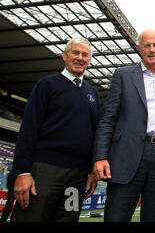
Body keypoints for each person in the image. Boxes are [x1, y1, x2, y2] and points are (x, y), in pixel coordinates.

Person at [11, 37, 99, 222]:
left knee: (68, 218)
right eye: (75, 53)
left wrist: (91, 171)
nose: (80, 58)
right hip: (45, 171)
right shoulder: (47, 84)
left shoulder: (93, 94)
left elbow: (94, 134)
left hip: (77, 177)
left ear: (89, 61)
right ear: (64, 56)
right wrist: (23, 172)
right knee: (32, 217)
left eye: (85, 55)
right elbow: (28, 129)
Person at [93, 29, 155, 222]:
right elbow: (108, 119)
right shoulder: (123, 75)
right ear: (139, 48)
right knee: (116, 217)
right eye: (147, 45)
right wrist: (100, 156)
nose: (152, 49)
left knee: (154, 217)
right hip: (127, 154)